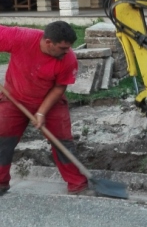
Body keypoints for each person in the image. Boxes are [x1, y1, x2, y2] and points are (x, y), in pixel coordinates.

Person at [0, 21, 89, 196]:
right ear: (48, 42)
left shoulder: (68, 59)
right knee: (3, 140)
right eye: (63, 48)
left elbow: (59, 87)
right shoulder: (21, 38)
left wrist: (41, 112)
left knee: (62, 142)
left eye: (69, 47)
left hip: (51, 101)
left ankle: (78, 184)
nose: (67, 51)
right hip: (14, 98)